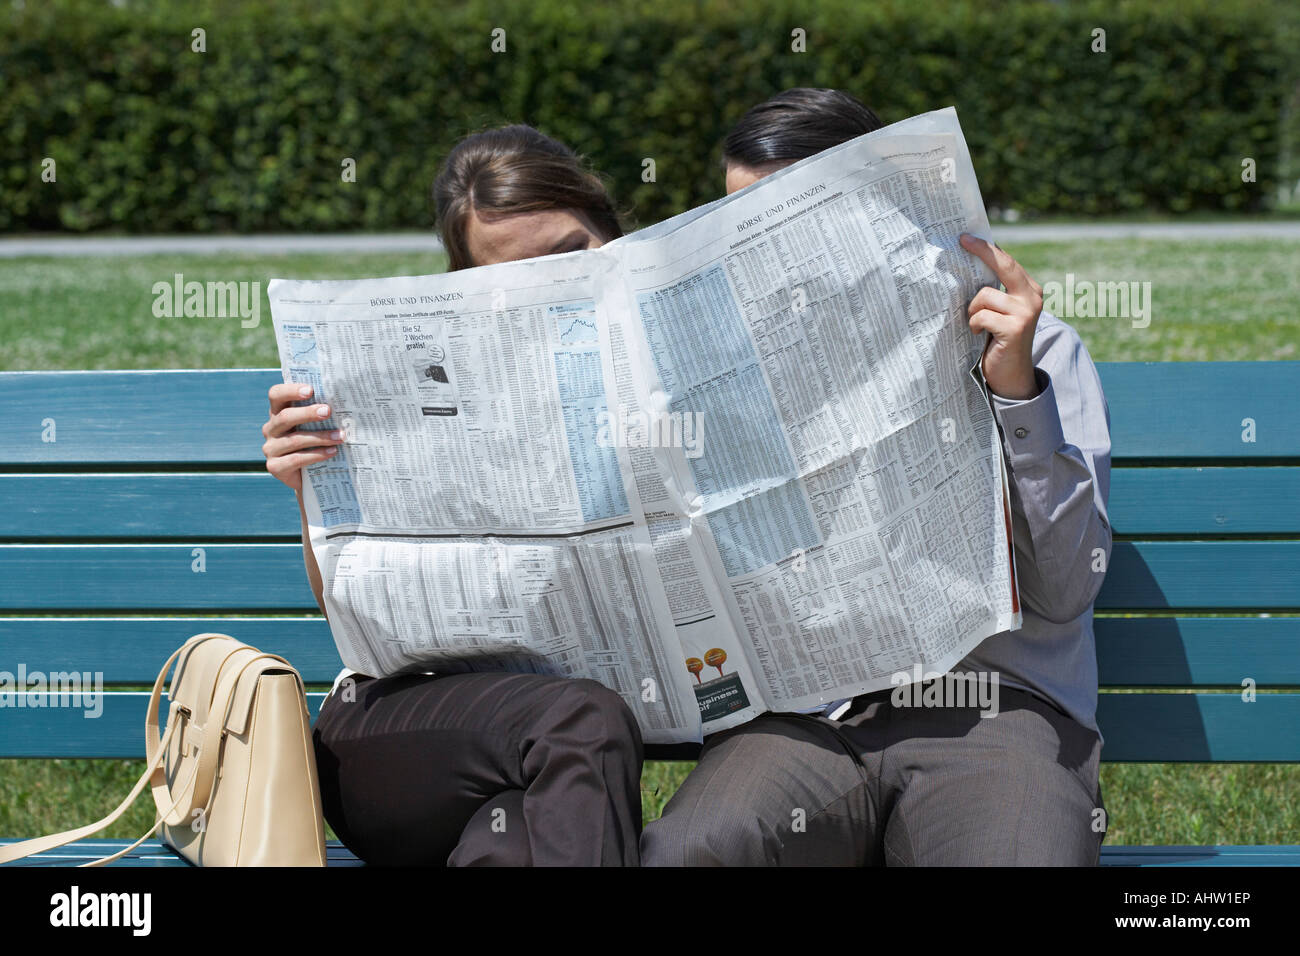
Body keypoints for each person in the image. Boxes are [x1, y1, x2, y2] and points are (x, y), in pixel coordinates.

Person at [641, 88, 1113, 866]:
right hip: (805, 721)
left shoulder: (1039, 350)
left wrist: (1015, 394)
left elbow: (1065, 588)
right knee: (697, 850)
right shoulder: (715, 380)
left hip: (993, 711)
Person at [261, 125, 643, 866]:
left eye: (568, 255)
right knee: (581, 719)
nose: (552, 287)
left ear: (608, 230)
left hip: (538, 764)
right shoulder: (417, 382)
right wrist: (306, 491)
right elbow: (349, 612)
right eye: (513, 278)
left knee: (514, 838)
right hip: (398, 729)